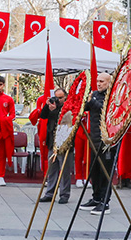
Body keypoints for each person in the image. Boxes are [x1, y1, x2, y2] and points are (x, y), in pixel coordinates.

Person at [80, 72, 114, 214]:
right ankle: (96, 197)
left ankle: (105, 202)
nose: (99, 84)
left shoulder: (112, 96)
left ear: (109, 83)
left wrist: (91, 101)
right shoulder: (94, 94)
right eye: (97, 81)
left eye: (102, 81)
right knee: (94, 172)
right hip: (93, 140)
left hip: (107, 142)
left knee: (105, 172)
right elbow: (86, 107)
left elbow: (104, 110)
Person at [36, 87, 72, 204]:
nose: (58, 100)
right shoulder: (52, 106)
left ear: (65, 97)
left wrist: (55, 109)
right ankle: (49, 193)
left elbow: (63, 117)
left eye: (60, 98)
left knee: (64, 170)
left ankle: (64, 194)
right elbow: (43, 116)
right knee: (52, 169)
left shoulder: (69, 106)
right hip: (52, 141)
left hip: (65, 143)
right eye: (56, 97)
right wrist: (47, 106)